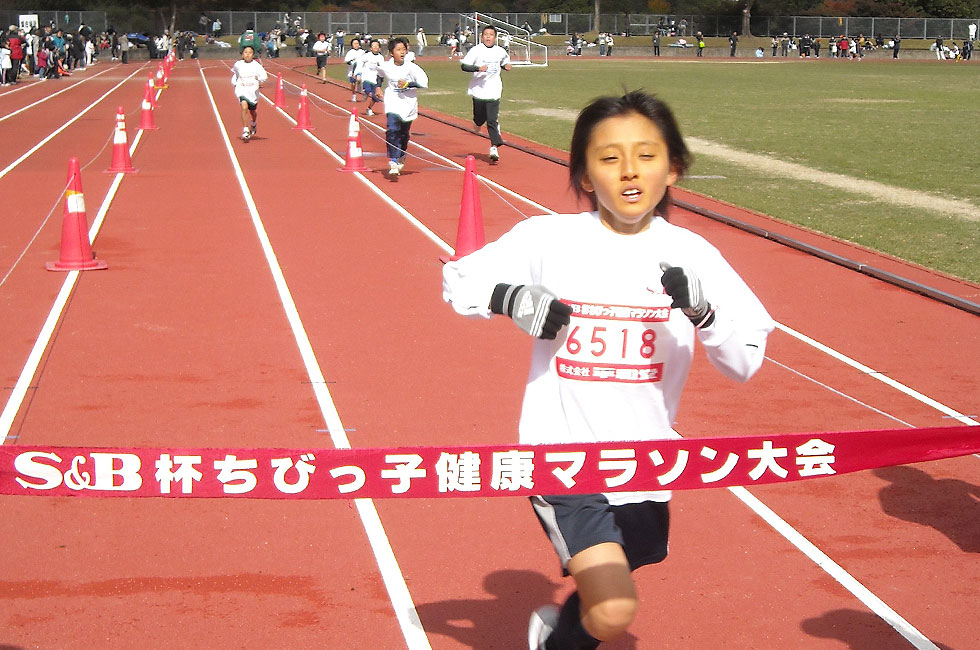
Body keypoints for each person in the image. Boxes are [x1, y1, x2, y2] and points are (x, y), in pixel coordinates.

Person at [441, 90, 773, 650]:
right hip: (563, 453)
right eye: (609, 157)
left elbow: (745, 360)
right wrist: (510, 297)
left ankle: (556, 637)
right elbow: (459, 279)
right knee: (616, 608)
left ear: (675, 168)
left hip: (646, 457)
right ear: (586, 175)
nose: (629, 171)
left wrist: (704, 311)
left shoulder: (692, 254)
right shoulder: (550, 238)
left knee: (624, 573)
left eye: (646, 155)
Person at [378, 37, 427, 176]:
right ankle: (393, 160)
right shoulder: (386, 65)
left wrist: (408, 84)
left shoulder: (411, 67)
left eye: (404, 49)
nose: (402, 52)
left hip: (408, 104)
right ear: (391, 53)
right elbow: (379, 75)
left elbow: (424, 82)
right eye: (398, 49)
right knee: (392, 130)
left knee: (404, 134)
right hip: (393, 102)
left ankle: (401, 154)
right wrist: (377, 88)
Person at [461, 25, 511, 162]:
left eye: (491, 35)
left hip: (494, 89)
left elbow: (503, 61)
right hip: (478, 90)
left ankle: (494, 147)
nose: (488, 37)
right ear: (482, 37)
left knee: (492, 119)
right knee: (479, 118)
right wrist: (478, 68)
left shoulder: (500, 51)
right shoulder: (476, 51)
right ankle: (477, 123)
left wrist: (505, 66)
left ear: (495, 38)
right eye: (486, 35)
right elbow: (464, 66)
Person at [230, 45, 267, 141]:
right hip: (242, 90)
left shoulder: (256, 66)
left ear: (253, 55)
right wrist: (235, 82)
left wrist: (258, 79)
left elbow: (264, 76)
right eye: (245, 52)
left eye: (250, 53)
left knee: (253, 112)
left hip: (252, 91)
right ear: (242, 55)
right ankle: (245, 130)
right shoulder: (238, 64)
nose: (247, 55)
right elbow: (236, 73)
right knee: (244, 107)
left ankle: (253, 123)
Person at [358, 38, 385, 116]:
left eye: (377, 46)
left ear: (379, 48)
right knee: (367, 89)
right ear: (370, 48)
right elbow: (360, 62)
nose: (375, 47)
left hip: (375, 79)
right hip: (367, 77)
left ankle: (369, 108)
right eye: (374, 46)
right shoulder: (366, 56)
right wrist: (358, 74)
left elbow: (382, 68)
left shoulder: (381, 58)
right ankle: (365, 93)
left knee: (376, 97)